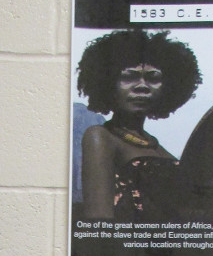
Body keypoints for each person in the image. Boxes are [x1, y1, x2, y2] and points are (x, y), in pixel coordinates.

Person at [75, 29, 202, 220]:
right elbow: (99, 225)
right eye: (129, 77)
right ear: (108, 82)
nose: (142, 86)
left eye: (153, 78)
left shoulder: (158, 148)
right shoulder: (100, 137)